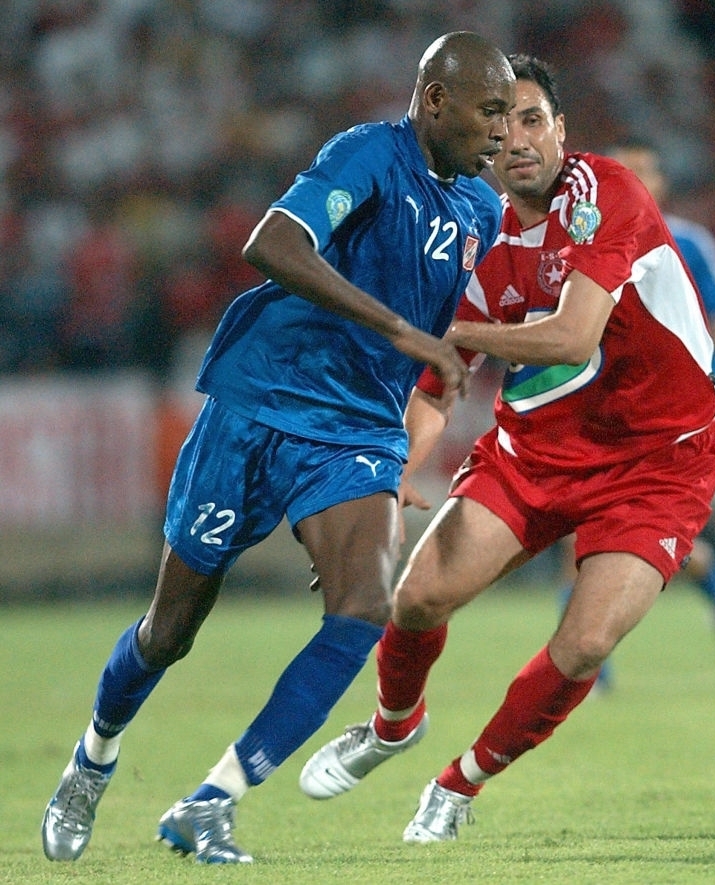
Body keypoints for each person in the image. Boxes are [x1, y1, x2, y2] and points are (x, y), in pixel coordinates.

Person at [40, 31, 515, 865]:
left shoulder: (481, 208)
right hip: (262, 399)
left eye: (511, 114)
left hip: (358, 426)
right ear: (436, 100)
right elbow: (272, 242)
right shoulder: (369, 156)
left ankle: (211, 801)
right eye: (490, 111)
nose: (502, 131)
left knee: (363, 605)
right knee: (169, 630)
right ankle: (92, 758)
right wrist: (403, 331)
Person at [298, 55, 715, 843]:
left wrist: (452, 330)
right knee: (416, 597)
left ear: (561, 128)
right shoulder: (476, 232)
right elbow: (437, 387)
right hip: (536, 449)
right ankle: (392, 726)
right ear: (482, 139)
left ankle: (459, 783)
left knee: (586, 641)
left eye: (533, 120)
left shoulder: (602, 194)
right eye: (501, 125)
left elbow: (572, 335)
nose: (519, 139)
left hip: (659, 460)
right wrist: (394, 474)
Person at [559, 140, 715, 687]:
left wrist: (680, 359)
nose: (633, 180)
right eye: (622, 171)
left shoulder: (687, 241)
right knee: (582, 533)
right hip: (603, 412)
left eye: (643, 171)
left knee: (642, 536)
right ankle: (588, 674)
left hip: (671, 423)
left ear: (663, 183)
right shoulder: (583, 241)